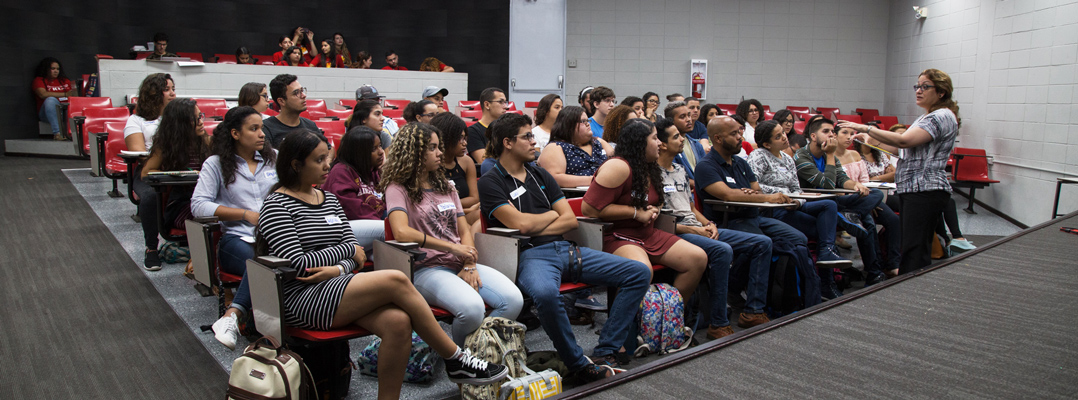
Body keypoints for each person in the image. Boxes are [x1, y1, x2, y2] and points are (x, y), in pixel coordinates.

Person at [258, 130, 509, 398]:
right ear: (296, 165)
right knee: (396, 278)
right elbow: (298, 264)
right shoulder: (277, 205)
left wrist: (340, 266)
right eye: (318, 160)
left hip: (337, 284)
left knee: (398, 322)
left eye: (326, 158)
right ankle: (456, 358)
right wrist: (346, 253)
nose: (327, 166)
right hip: (303, 297)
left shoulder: (328, 199)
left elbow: (359, 256)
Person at [479, 112, 650, 381]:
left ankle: (605, 350)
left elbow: (569, 220)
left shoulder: (540, 175)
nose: (534, 142)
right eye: (527, 137)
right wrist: (548, 217)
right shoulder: (490, 181)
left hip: (564, 249)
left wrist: (535, 222)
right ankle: (577, 363)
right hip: (529, 255)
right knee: (546, 296)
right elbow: (519, 225)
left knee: (638, 273)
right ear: (507, 142)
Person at [380, 122, 523, 345]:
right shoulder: (397, 187)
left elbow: (463, 228)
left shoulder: (446, 186)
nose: (439, 153)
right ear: (414, 152)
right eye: (432, 148)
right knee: (472, 309)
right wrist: (452, 248)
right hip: (425, 268)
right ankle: (460, 360)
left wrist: (468, 263)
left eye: (439, 146)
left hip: (458, 262)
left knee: (513, 300)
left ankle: (476, 352)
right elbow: (401, 231)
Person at [654, 117, 774, 337]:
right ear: (660, 143)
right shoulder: (651, 174)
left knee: (762, 243)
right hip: (674, 231)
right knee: (722, 250)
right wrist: (696, 230)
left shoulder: (680, 169)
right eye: (676, 137)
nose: (682, 139)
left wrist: (708, 224)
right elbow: (658, 219)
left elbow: (690, 206)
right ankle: (718, 323)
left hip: (695, 227)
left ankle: (753, 311)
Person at [839, 68, 961, 274]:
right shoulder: (928, 116)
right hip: (914, 188)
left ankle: (907, 293)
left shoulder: (940, 116)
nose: (919, 91)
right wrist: (871, 141)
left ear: (941, 92)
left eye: (925, 86)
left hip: (924, 189)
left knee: (914, 249)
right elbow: (901, 149)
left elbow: (904, 140)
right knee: (913, 246)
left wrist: (867, 128)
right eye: (917, 86)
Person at [695, 115, 821, 312]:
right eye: (734, 133)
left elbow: (755, 190)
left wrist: (748, 195)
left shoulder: (740, 163)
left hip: (754, 216)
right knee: (763, 243)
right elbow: (728, 194)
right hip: (728, 221)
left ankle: (780, 292)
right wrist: (761, 197)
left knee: (798, 238)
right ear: (718, 138)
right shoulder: (706, 166)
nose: (740, 137)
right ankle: (754, 308)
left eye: (740, 132)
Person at [581, 119, 706, 302]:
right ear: (640, 142)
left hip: (646, 233)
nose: (659, 143)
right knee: (641, 270)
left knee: (697, 259)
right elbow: (590, 209)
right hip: (616, 235)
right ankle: (627, 325)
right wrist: (635, 213)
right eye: (655, 138)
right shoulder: (618, 166)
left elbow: (649, 200)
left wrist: (653, 209)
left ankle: (666, 317)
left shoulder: (648, 166)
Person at [195, 106, 278, 349]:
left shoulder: (275, 157)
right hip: (237, 238)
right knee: (264, 265)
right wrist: (244, 214)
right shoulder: (216, 164)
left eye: (262, 127)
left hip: (274, 237)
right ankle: (232, 318)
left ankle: (232, 317)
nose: (262, 133)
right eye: (254, 129)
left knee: (276, 262)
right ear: (235, 134)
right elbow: (199, 205)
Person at [746, 120, 854, 299]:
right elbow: (754, 186)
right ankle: (826, 281)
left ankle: (827, 255)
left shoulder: (787, 158)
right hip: (773, 209)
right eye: (778, 136)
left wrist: (797, 200)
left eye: (783, 133)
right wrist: (783, 194)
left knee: (829, 205)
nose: (784, 138)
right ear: (766, 143)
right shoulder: (759, 155)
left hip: (793, 205)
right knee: (824, 229)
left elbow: (797, 189)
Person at [794, 118, 894, 284]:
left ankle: (852, 216)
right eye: (825, 132)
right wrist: (831, 154)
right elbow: (827, 184)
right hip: (817, 204)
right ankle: (874, 270)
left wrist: (856, 186)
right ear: (813, 136)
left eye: (832, 132)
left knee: (874, 194)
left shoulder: (828, 156)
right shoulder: (802, 156)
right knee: (867, 219)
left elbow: (842, 179)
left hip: (836, 201)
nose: (831, 136)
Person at [139, 98, 211, 272]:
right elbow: (145, 173)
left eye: (200, 116)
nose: (201, 122)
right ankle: (152, 248)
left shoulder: (207, 142)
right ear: (181, 123)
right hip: (181, 203)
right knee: (148, 198)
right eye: (195, 118)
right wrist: (176, 174)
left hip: (204, 198)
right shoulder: (166, 146)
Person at [835, 124, 903, 276]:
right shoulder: (830, 157)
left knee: (893, 220)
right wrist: (866, 203)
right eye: (844, 133)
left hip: (865, 197)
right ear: (835, 135)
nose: (849, 137)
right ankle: (875, 267)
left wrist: (868, 202)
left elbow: (865, 181)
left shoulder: (855, 155)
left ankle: (893, 263)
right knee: (868, 222)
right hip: (848, 200)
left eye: (851, 133)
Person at [124, 73, 176, 270]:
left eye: (173, 88)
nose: (172, 93)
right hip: (149, 172)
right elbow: (139, 153)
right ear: (154, 93)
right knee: (150, 196)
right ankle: (151, 248)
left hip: (178, 168)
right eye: (167, 89)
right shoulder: (136, 120)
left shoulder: (176, 117)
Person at [323, 126, 386, 250]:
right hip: (344, 227)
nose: (381, 152)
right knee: (390, 229)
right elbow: (351, 210)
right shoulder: (341, 172)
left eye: (380, 146)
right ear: (359, 152)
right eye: (374, 149)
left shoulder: (372, 171)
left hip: (372, 223)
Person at [537, 106, 613, 188]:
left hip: (606, 190)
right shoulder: (556, 147)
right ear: (568, 125)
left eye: (588, 120)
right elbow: (555, 178)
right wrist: (594, 180)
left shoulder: (598, 142)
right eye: (583, 121)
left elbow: (617, 160)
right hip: (575, 196)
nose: (588, 124)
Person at [431, 113, 482, 229]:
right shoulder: (432, 164)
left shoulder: (466, 162)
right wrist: (462, 207)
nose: (465, 143)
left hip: (463, 212)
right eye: (460, 138)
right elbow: (433, 204)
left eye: (465, 138)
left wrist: (458, 207)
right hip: (439, 216)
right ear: (446, 138)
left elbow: (474, 198)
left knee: (483, 216)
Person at [262, 74, 319, 148]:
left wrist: (328, 158)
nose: (303, 95)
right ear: (281, 101)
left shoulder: (310, 125)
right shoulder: (266, 128)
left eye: (302, 90)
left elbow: (329, 148)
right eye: (296, 93)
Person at [32, 57, 76, 140]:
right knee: (50, 99)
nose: (56, 71)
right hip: (47, 113)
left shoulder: (65, 81)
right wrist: (65, 94)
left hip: (65, 111)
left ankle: (73, 134)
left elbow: (73, 95)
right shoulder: (39, 80)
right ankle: (57, 133)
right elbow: (42, 94)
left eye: (57, 69)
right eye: (53, 68)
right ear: (46, 69)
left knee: (71, 104)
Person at [664, 101, 706, 177]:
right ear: (671, 121)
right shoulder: (668, 146)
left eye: (689, 115)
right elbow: (672, 175)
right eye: (682, 117)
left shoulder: (697, 145)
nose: (688, 119)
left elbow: (706, 170)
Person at [465, 87, 507, 163]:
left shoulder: (506, 130)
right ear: (487, 105)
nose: (506, 106)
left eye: (505, 102)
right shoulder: (473, 131)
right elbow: (484, 161)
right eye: (501, 102)